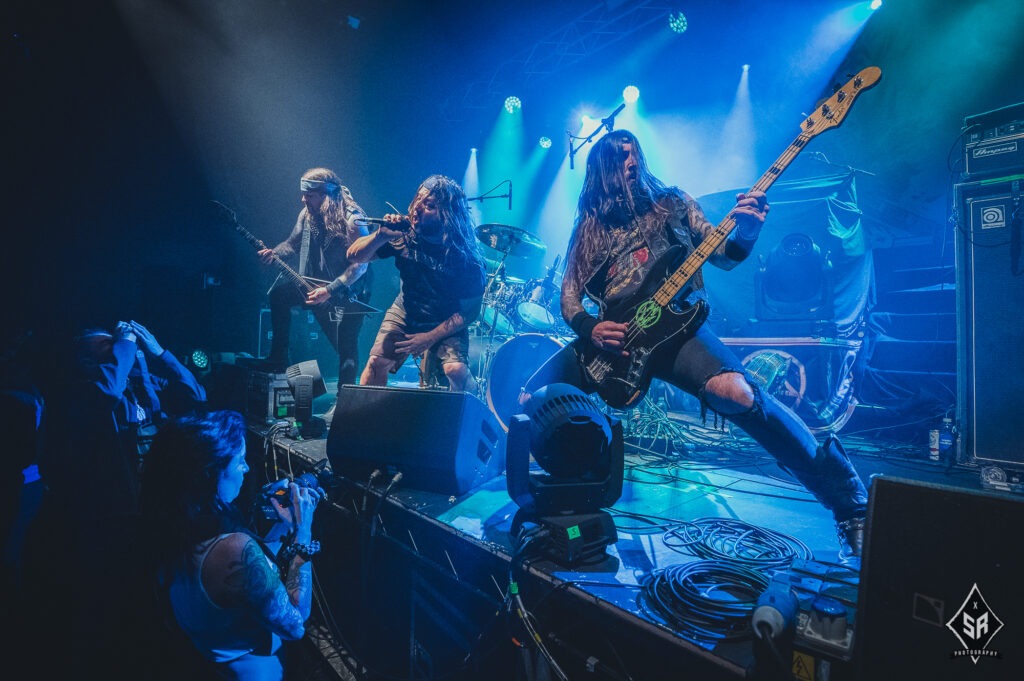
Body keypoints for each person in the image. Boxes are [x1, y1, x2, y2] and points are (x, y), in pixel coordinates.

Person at [522, 129, 868, 560]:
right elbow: (569, 295)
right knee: (529, 398)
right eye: (620, 157)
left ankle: (850, 503)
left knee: (739, 395)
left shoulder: (671, 202)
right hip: (614, 343)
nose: (631, 162)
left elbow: (721, 252)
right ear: (600, 171)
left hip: (677, 331)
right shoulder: (589, 225)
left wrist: (746, 234)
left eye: (634, 154)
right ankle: (557, 499)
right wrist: (591, 328)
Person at [25, 319, 208, 677]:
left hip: (145, 515)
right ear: (85, 358)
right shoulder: (78, 390)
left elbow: (195, 396)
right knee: (102, 610)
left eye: (118, 343)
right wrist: (124, 343)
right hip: (99, 522)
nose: (121, 346)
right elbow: (107, 390)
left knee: (146, 607)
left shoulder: (138, 387)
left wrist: (159, 353)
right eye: (107, 346)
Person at [142, 410, 325, 680]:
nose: (247, 468)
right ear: (211, 473)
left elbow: (253, 579)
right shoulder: (233, 549)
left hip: (211, 660)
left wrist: (283, 525)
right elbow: (296, 623)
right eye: (239, 460)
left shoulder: (174, 526)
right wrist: (303, 532)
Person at [347, 174, 486, 393]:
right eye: (418, 200)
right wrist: (380, 236)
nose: (417, 208)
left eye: (429, 205)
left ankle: (473, 415)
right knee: (376, 364)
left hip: (446, 316)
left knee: (455, 370)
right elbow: (354, 256)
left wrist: (428, 338)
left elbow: (470, 312)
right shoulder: (402, 235)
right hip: (407, 309)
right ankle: (366, 422)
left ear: (448, 215)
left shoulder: (466, 258)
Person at [258, 167, 373, 387]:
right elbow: (292, 244)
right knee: (279, 295)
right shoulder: (307, 215)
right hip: (317, 286)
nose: (303, 200)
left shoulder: (352, 219)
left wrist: (329, 291)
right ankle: (279, 357)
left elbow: (361, 266)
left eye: (308, 195)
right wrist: (274, 253)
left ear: (325, 195)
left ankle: (344, 400)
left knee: (345, 347)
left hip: (349, 291)